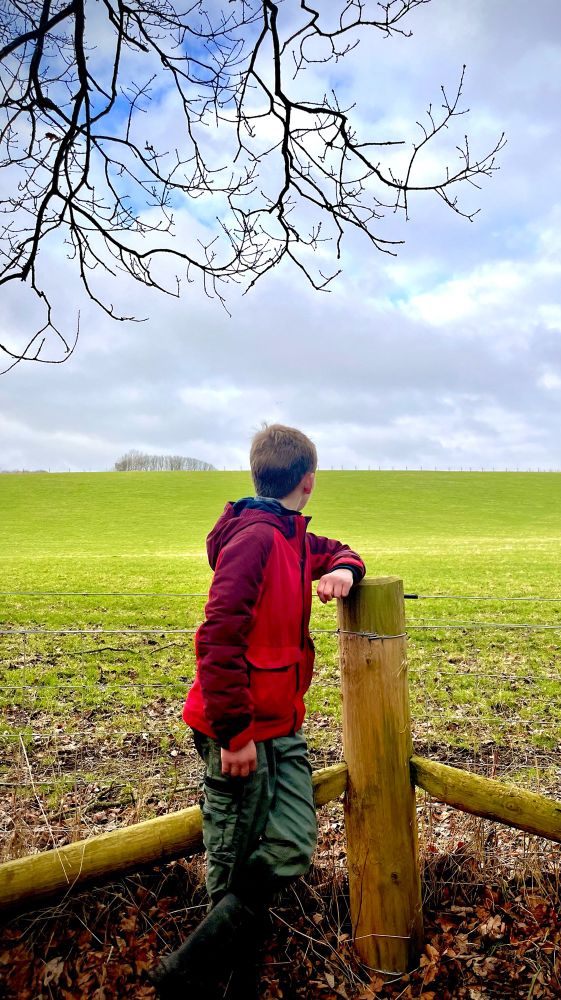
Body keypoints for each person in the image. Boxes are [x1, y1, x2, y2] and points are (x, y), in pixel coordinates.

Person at [150, 424, 365, 998]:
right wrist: (234, 733)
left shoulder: (294, 538)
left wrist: (344, 571)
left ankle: (203, 965)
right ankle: (211, 978)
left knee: (292, 840)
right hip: (240, 727)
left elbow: (342, 551)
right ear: (309, 482)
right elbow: (217, 637)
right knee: (233, 850)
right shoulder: (255, 540)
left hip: (281, 724)